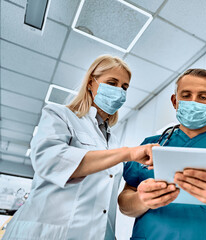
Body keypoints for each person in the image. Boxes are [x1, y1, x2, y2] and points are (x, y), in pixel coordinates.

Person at [3, 55, 157, 240]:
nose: (119, 91)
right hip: (45, 234)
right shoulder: (60, 115)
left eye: (124, 87)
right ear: (91, 83)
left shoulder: (113, 141)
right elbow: (50, 161)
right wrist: (127, 153)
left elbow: (105, 206)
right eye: (112, 82)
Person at [118, 68, 206, 240]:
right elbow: (125, 203)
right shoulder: (151, 147)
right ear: (175, 101)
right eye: (186, 95)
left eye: (202, 97)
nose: (194, 102)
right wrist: (141, 199)